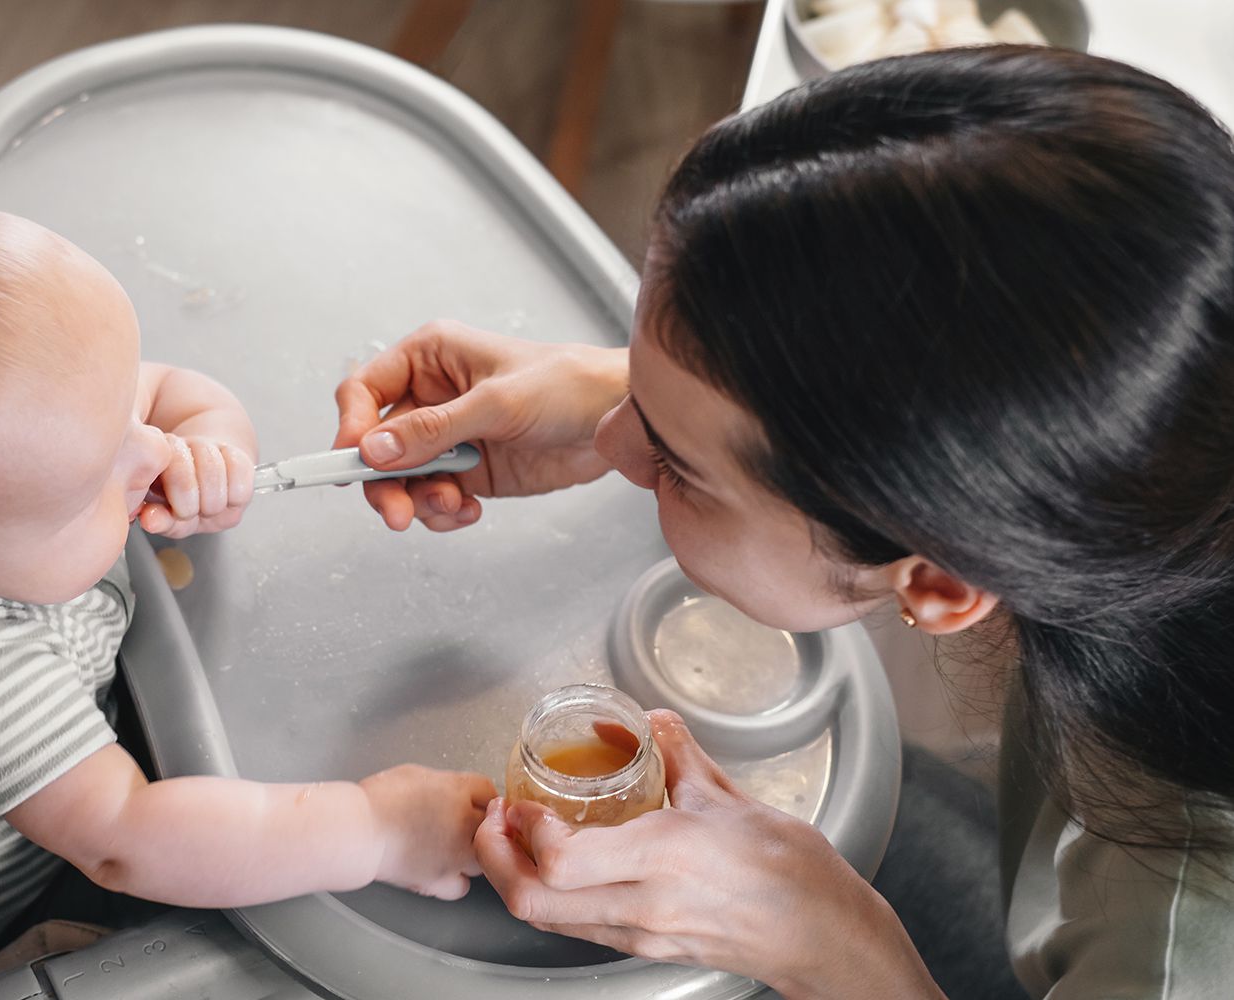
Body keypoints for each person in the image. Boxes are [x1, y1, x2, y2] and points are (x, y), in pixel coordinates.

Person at [334, 46, 1234, 1000]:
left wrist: (834, 949)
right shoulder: (1178, 411)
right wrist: (645, 395)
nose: (609, 440)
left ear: (939, 582)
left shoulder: (1181, 945)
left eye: (673, 464)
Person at [0, 183, 494, 996]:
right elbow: (126, 838)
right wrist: (374, 831)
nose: (147, 453)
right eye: (93, 483)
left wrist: (212, 442)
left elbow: (167, 393)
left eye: (125, 414)